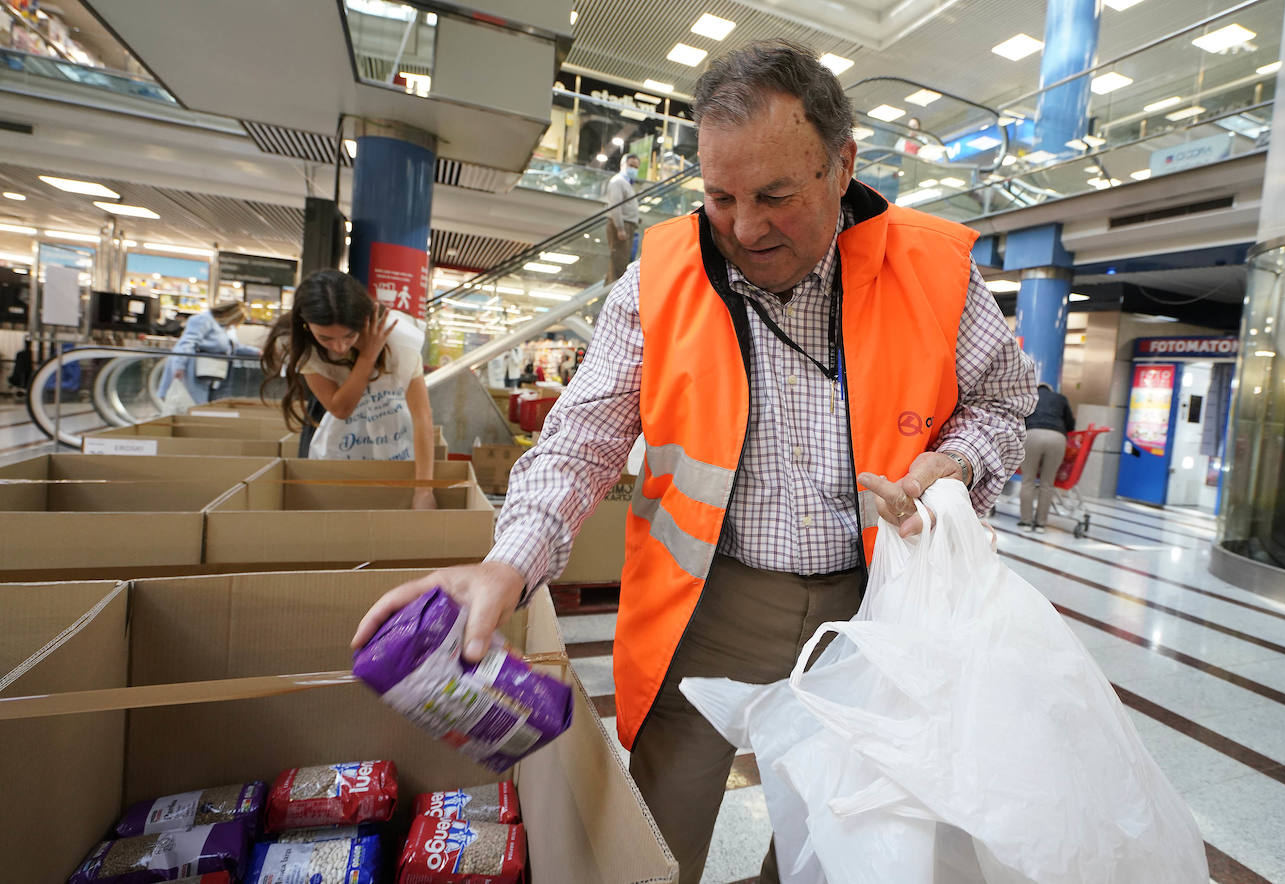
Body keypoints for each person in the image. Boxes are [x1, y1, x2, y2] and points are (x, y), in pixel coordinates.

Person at [353, 40, 1035, 883]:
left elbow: (1005, 401)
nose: (746, 227)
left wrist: (954, 465)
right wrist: (508, 564)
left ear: (841, 165)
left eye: (776, 196)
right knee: (653, 844)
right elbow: (583, 438)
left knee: (836, 836)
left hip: (879, 612)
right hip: (710, 609)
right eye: (721, 196)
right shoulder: (659, 279)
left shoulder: (935, 269)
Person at [262, 269, 436, 510]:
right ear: (306, 324)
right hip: (330, 423)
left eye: (349, 335)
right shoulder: (301, 345)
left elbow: (422, 417)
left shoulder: (397, 337)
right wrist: (367, 356)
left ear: (363, 319)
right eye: (326, 338)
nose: (340, 347)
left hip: (389, 421)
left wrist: (424, 490)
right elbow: (340, 408)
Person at [158, 300, 259, 406]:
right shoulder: (203, 320)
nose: (234, 324)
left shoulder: (225, 327)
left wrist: (257, 352)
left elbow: (233, 347)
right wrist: (179, 366)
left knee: (203, 404)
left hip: (212, 374)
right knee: (191, 404)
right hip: (192, 371)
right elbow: (186, 344)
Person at [1020, 381, 1075, 532]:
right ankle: (1040, 524)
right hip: (1057, 437)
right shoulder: (1061, 398)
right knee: (1047, 483)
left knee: (1028, 481)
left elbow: (1019, 420)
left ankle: (1026, 522)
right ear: (1051, 390)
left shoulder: (1029, 397)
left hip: (1032, 435)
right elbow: (1071, 425)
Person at [604, 153, 641, 284]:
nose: (633, 169)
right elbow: (615, 206)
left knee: (621, 263)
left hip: (628, 226)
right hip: (621, 225)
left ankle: (607, 297)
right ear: (622, 165)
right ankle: (612, 298)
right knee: (618, 266)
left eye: (636, 167)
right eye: (631, 165)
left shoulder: (627, 183)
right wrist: (620, 228)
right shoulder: (618, 181)